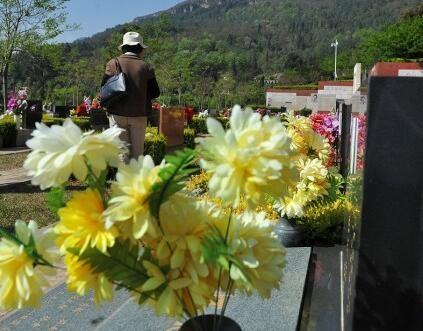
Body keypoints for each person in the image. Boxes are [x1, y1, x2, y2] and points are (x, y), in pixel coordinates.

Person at [101, 31, 160, 159]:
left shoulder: (112, 63)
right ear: (140, 49)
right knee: (137, 155)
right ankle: (136, 178)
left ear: (123, 48)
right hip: (139, 115)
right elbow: (156, 92)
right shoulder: (146, 67)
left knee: (122, 154)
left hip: (117, 114)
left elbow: (104, 88)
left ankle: (122, 178)